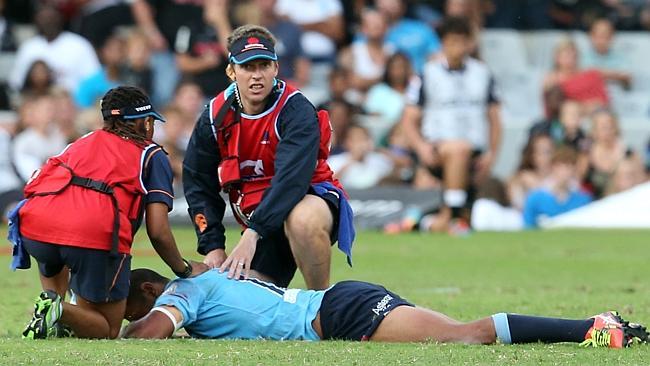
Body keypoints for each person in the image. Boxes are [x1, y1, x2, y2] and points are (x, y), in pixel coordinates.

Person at [10, 86, 208, 340]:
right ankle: (59, 310)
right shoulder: (152, 154)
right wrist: (184, 269)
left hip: (35, 224)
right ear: (140, 121)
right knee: (107, 328)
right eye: (148, 120)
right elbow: (158, 231)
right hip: (92, 231)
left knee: (59, 254)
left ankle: (54, 308)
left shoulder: (81, 141)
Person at [182, 25, 355, 290]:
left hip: (310, 199)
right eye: (247, 67)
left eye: (264, 65)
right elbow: (198, 181)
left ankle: (321, 305)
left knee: (302, 220)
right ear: (231, 71)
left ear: (275, 68)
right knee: (236, 294)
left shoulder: (295, 109)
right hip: (261, 222)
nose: (257, 76)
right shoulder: (214, 116)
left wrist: (253, 233)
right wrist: (213, 245)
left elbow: (291, 182)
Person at [121, 268, 649, 349]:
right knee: (457, 332)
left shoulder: (181, 293)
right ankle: (597, 325)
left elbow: (147, 335)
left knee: (466, 336)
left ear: (148, 291)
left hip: (338, 314)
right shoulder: (212, 278)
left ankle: (594, 327)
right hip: (341, 301)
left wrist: (104, 331)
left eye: (124, 304)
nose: (122, 314)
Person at [401, 16, 501, 231]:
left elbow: (494, 119)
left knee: (463, 149)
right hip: (438, 147)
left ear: (470, 43)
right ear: (443, 43)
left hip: (475, 148)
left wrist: (492, 154)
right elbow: (409, 118)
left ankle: (435, 222)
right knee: (458, 148)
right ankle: (452, 214)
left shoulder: (483, 73)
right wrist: (421, 147)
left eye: (462, 41)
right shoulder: (426, 74)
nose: (458, 47)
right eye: (452, 41)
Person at [523, 146, 592, 228]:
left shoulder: (583, 200)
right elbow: (527, 227)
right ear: (552, 167)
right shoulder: (535, 198)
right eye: (560, 167)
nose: (565, 172)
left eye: (569, 167)